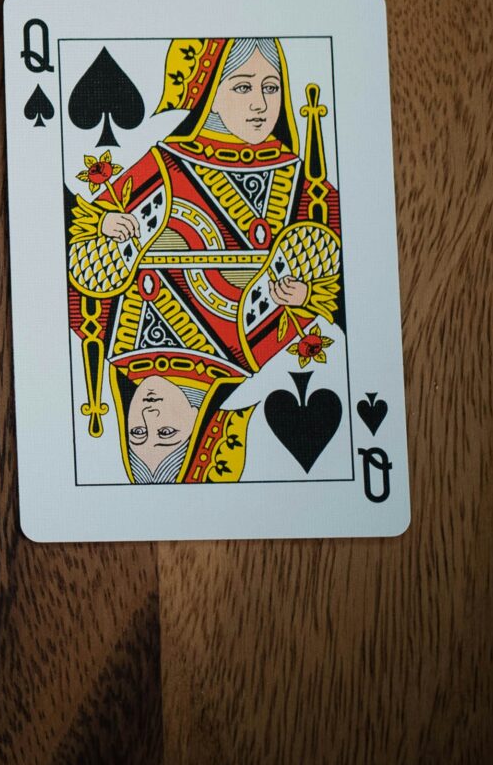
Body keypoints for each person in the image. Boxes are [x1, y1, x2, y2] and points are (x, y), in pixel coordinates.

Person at [67, 37, 342, 483]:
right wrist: (303, 295)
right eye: (243, 87)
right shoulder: (247, 356)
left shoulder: (293, 174)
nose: (259, 104)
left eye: (138, 432)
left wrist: (104, 229)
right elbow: (85, 246)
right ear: (211, 92)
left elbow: (326, 248)